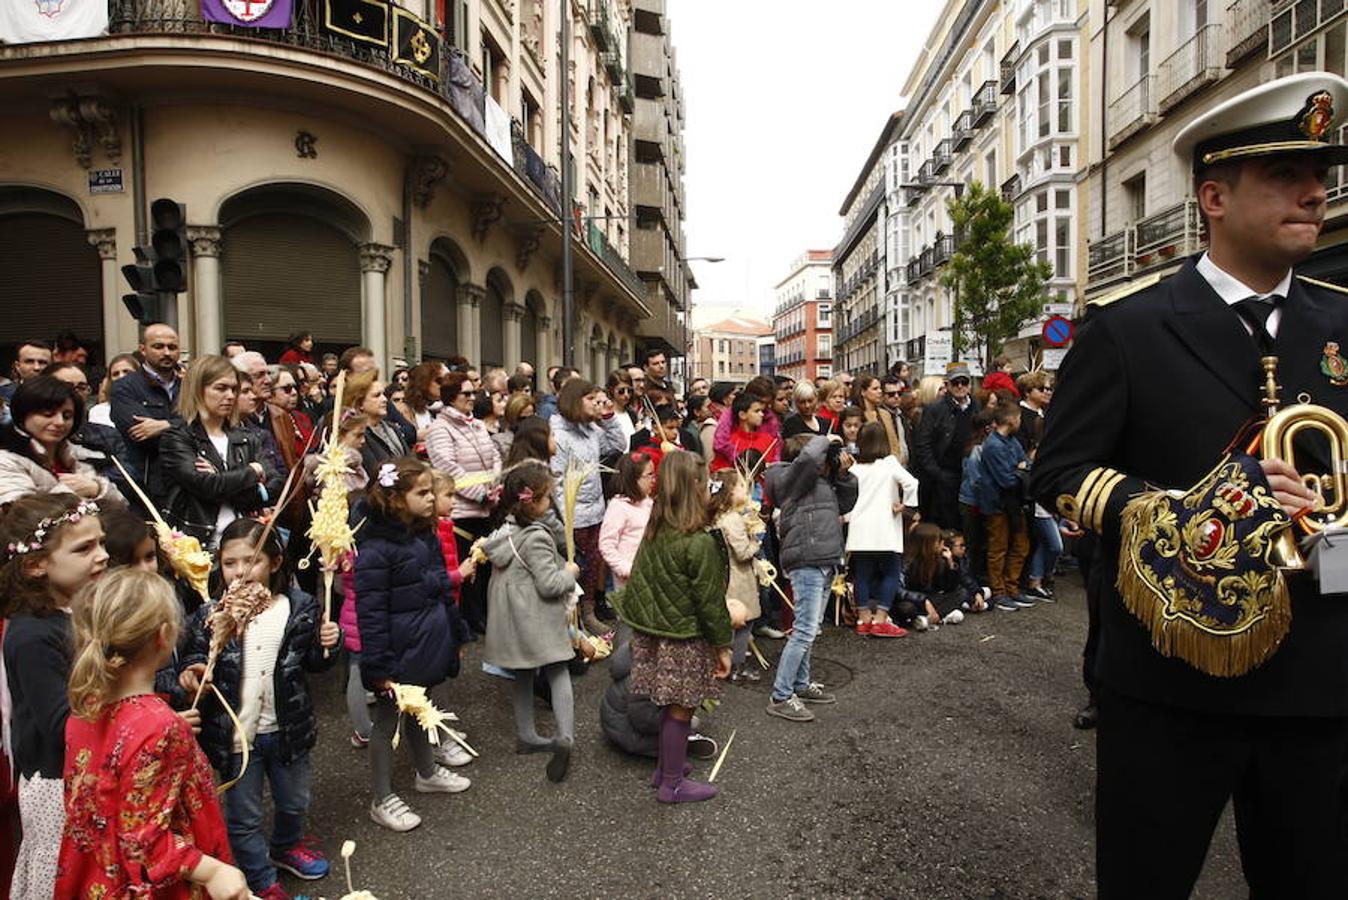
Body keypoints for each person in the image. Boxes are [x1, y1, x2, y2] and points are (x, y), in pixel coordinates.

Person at [1031, 73, 1348, 897]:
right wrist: (1183, 510)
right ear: (1213, 195)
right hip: (1173, 676)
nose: (1317, 192)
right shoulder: (1128, 327)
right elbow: (1058, 474)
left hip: (1324, 677)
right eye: (1286, 175)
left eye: (1321, 175)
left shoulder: (1343, 321)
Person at [58, 568, 249, 900]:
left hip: (98, 874)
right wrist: (214, 871)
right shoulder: (159, 726)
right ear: (164, 635)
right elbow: (143, 841)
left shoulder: (84, 709)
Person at [178, 518, 339, 899]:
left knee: (294, 800)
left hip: (287, 729)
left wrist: (331, 642)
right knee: (243, 816)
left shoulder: (298, 607)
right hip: (237, 737)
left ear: (276, 562)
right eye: (229, 563)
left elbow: (314, 663)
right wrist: (191, 672)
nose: (240, 571)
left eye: (251, 561)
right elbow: (195, 656)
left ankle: (286, 845)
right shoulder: (209, 615)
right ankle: (260, 877)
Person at [355, 457, 472, 832]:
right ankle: (382, 796)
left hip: (426, 639)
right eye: (421, 492)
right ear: (395, 498)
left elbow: (441, 589)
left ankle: (425, 771)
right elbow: (370, 613)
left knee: (424, 708)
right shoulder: (375, 550)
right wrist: (379, 667)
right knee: (388, 723)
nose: (430, 498)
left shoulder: (425, 534)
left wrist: (453, 633)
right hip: (398, 649)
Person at [609, 450, 733, 803]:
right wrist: (722, 646)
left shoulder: (656, 528)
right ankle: (672, 785)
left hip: (654, 633)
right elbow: (710, 602)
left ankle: (666, 768)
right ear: (694, 486)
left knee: (667, 703)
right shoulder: (698, 542)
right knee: (682, 706)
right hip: (684, 637)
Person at [1, 493, 108, 898]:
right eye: (84, 548)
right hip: (56, 784)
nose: (101, 555)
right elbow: (63, 725)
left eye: (101, 543)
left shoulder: (79, 608)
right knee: (65, 871)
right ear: (35, 565)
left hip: (88, 769)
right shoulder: (33, 635)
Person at [481, 460, 580, 783]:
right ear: (532, 501)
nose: (550, 503)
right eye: (546, 498)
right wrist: (570, 574)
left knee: (522, 673)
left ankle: (527, 735)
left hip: (510, 618)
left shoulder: (502, 532)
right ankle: (565, 736)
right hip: (535, 615)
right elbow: (549, 584)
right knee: (558, 669)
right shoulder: (536, 537)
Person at [763, 434, 858, 723]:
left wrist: (842, 473)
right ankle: (781, 695)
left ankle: (801, 685)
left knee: (811, 628)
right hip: (806, 560)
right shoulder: (788, 477)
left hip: (824, 559)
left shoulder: (821, 483)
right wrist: (825, 439)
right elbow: (806, 460)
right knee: (804, 629)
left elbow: (847, 502)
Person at [159, 356, 282, 548]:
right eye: (221, 388)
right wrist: (252, 472)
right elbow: (206, 486)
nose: (231, 395)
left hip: (243, 542)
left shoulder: (246, 437)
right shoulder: (178, 437)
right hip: (196, 546)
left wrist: (222, 481)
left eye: (234, 389)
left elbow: (275, 486)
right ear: (198, 390)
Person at [549, 378, 627, 635]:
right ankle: (573, 618)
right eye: (591, 400)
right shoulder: (558, 435)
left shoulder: (591, 429)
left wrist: (608, 416)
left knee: (594, 565)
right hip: (574, 514)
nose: (597, 404)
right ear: (574, 400)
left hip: (596, 509)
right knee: (577, 568)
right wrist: (563, 518)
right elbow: (557, 481)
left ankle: (589, 611)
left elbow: (617, 445)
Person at [427, 372, 501, 634]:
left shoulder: (478, 424)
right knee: (464, 569)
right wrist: (480, 493)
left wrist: (494, 484)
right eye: (466, 394)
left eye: (474, 393)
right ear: (450, 398)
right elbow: (449, 469)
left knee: (485, 567)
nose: (472, 398)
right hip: (461, 510)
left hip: (486, 508)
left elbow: (494, 455)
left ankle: (483, 614)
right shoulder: (440, 429)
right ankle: (467, 620)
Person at [0, 375, 123, 505]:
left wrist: (97, 488)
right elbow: (18, 513)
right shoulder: (6, 460)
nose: (60, 422)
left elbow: (121, 505)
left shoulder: (81, 455)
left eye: (67, 416)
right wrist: (68, 492)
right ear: (23, 414)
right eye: (48, 414)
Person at [846, 421, 920, 638]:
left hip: (859, 528)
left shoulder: (854, 468)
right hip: (885, 527)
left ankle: (863, 618)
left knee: (862, 574)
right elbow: (912, 483)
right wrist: (906, 505)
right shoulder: (889, 463)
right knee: (890, 572)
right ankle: (880, 620)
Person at [110, 323, 182, 507]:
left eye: (172, 347)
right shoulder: (124, 387)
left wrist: (166, 425)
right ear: (142, 349)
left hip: (189, 480)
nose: (166, 352)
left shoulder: (190, 386)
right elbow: (143, 437)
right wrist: (188, 429)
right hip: (149, 483)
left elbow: (208, 426)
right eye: (158, 346)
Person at [707, 469, 762, 681]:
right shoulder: (732, 519)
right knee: (743, 623)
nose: (744, 488)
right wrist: (756, 540)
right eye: (740, 485)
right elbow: (742, 552)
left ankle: (725, 660)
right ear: (729, 491)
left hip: (724, 577)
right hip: (738, 578)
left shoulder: (716, 517)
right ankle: (738, 664)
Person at [977, 402, 1032, 613]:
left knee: (1020, 545)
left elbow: (1026, 463)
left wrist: (1021, 468)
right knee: (998, 549)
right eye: (1018, 418)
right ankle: (999, 593)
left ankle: (1013, 588)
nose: (1020, 422)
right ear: (1010, 420)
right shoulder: (993, 446)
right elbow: (1007, 480)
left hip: (1015, 503)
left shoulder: (1012, 440)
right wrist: (1021, 470)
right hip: (997, 504)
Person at [912, 364, 976, 529]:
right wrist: (937, 473)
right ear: (948, 385)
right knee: (947, 523)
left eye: (964, 382)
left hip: (970, 473)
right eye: (955, 383)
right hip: (945, 474)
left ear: (969, 384)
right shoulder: (935, 408)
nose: (960, 386)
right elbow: (923, 444)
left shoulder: (976, 406)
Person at [1016, 370, 1059, 602]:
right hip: (1032, 485)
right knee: (1044, 541)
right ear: (1028, 392)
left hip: (1048, 479)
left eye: (1049, 388)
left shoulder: (1046, 413)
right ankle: (1033, 579)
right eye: (1042, 389)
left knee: (1046, 541)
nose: (1048, 392)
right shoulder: (1022, 416)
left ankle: (1040, 578)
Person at [599, 451, 655, 590]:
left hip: (650, 575)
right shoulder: (618, 507)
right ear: (633, 478)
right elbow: (606, 544)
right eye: (649, 475)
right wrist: (626, 569)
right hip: (629, 583)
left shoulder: (648, 502)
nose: (654, 480)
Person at [898, 523, 967, 629]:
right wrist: (923, 600)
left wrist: (950, 564)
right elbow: (898, 590)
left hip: (931, 598)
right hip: (913, 599)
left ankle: (928, 619)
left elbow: (949, 588)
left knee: (961, 593)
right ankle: (938, 616)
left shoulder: (939, 559)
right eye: (938, 541)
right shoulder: (907, 562)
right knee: (906, 608)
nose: (942, 544)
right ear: (927, 544)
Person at [344, 370, 408, 481]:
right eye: (377, 395)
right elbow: (375, 472)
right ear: (360, 404)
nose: (384, 399)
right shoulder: (359, 436)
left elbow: (410, 459)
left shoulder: (392, 428)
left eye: (383, 394)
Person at [712, 392, 776, 471]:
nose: (761, 414)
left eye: (762, 411)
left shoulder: (769, 441)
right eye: (756, 411)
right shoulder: (729, 443)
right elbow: (719, 472)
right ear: (742, 415)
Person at [86, 352, 139, 428]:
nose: (121, 376)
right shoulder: (98, 411)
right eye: (115, 374)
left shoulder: (151, 405)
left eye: (127, 372)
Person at [495, 392, 535, 458]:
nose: (527, 422)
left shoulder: (539, 439)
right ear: (512, 417)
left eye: (531, 418)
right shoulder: (499, 441)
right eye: (522, 418)